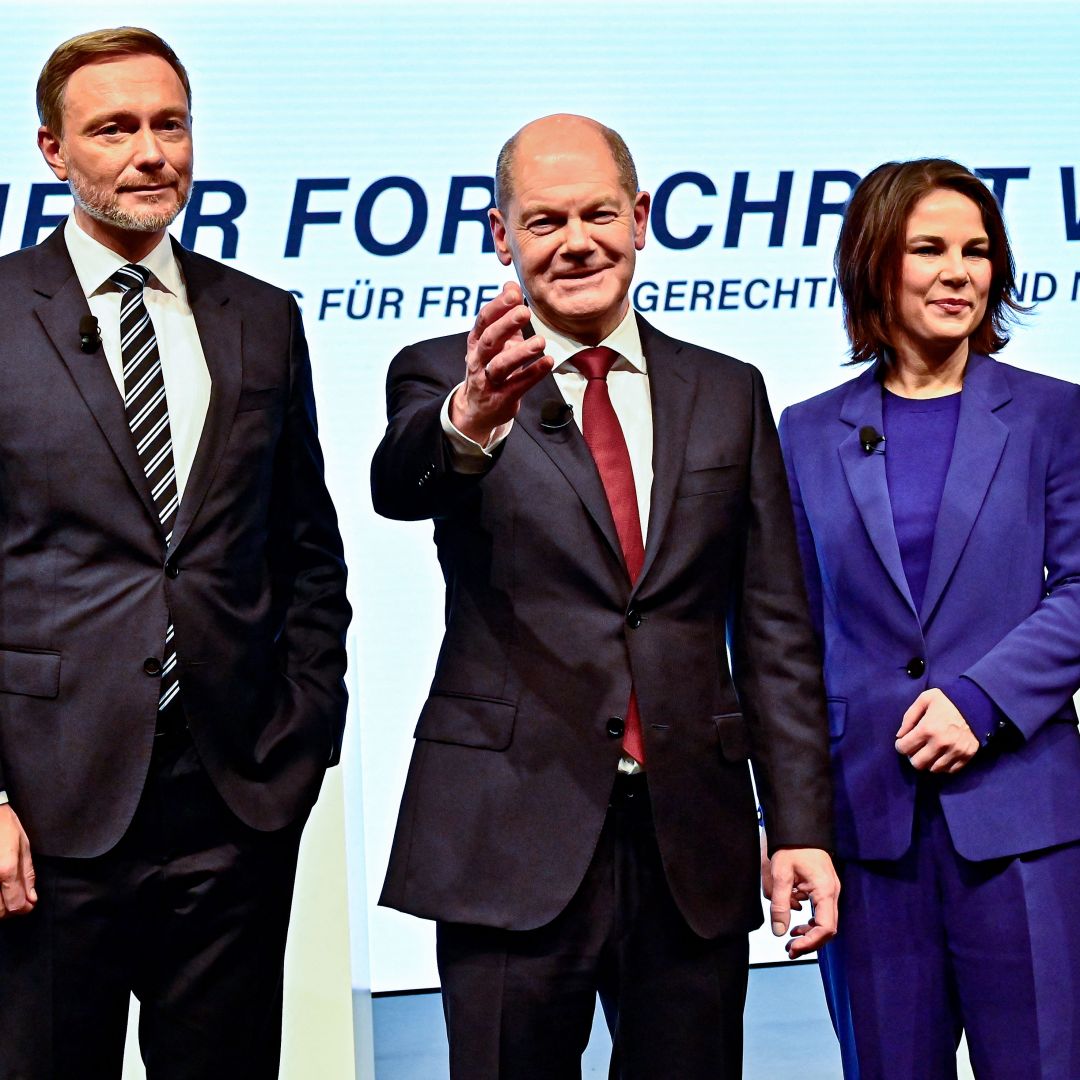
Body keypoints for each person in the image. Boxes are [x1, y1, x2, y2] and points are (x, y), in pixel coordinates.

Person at [371, 112, 838, 1079]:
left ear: (640, 217)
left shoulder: (728, 390)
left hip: (691, 839)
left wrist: (797, 827)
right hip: (509, 830)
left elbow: (775, 631)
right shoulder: (443, 374)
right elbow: (402, 483)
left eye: (596, 215)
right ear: (502, 235)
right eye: (543, 222)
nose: (575, 242)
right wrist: (472, 415)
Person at [0, 27, 350, 1079]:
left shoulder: (263, 320)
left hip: (235, 803)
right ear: (54, 152)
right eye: (114, 128)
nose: (152, 153)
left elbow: (308, 553)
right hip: (46, 808)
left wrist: (303, 739)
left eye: (170, 124)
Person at [779, 158, 1080, 1079]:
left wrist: (981, 700)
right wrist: (785, 816)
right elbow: (781, 633)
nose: (959, 271)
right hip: (866, 834)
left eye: (978, 251)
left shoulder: (1052, 416)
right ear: (875, 263)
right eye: (930, 249)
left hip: (1022, 820)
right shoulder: (801, 430)